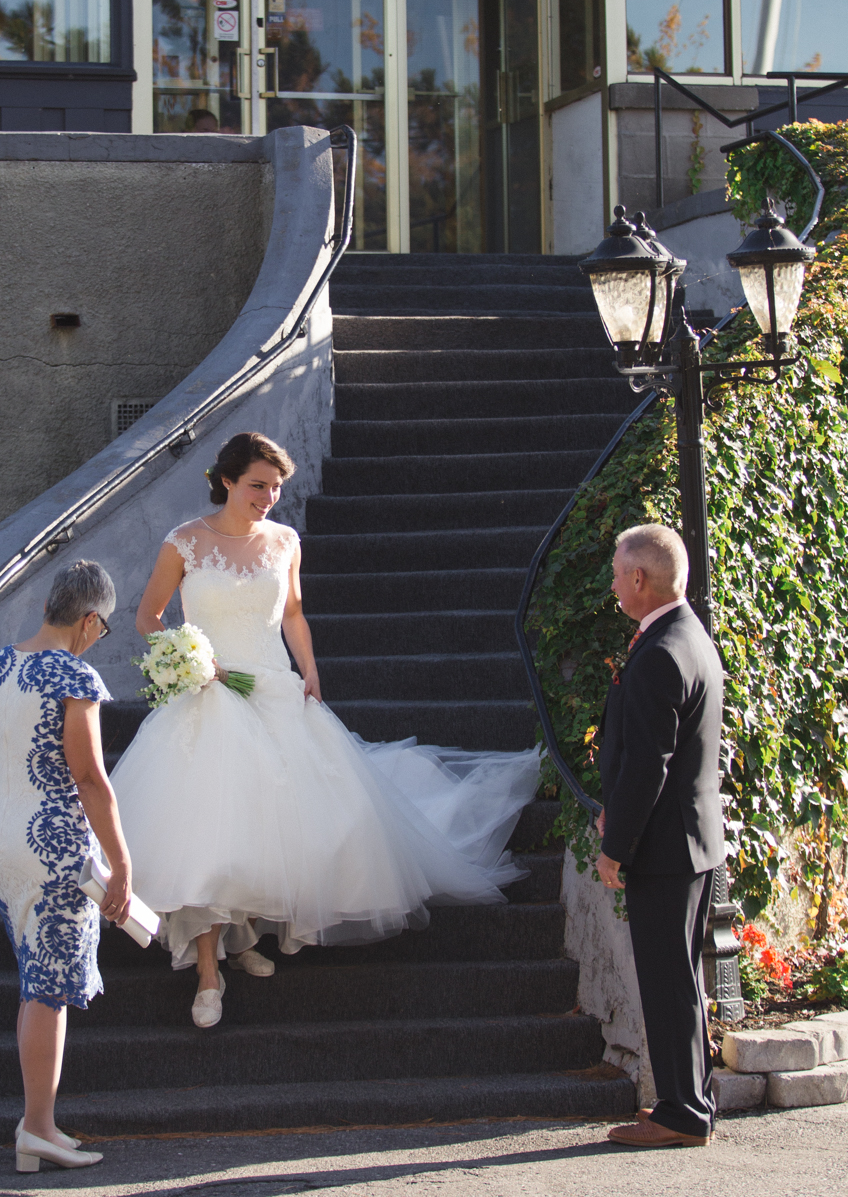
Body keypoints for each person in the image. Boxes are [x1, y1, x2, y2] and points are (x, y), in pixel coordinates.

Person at [109, 431, 541, 1029]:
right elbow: (148, 615)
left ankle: (246, 935)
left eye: (277, 489)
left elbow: (291, 613)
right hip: (207, 693)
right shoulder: (184, 541)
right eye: (258, 485)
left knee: (278, 818)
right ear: (228, 479)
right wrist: (189, 659)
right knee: (206, 825)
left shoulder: (285, 541)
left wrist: (310, 670)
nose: (268, 498)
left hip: (273, 686)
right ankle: (209, 969)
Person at [0, 559, 132, 1174]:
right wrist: (122, 863)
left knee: (36, 981)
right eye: (104, 628)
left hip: (2, 840)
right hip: (55, 843)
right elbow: (89, 777)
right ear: (90, 620)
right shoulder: (73, 674)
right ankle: (36, 1127)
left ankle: (41, 1124)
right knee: (48, 990)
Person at [596, 523, 725, 1150]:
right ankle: (690, 1102)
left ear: (640, 579)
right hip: (691, 840)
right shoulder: (687, 636)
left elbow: (650, 765)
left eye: (619, 572)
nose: (614, 582)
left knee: (669, 979)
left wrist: (614, 845)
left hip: (665, 847)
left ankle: (681, 1114)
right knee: (682, 978)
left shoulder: (660, 653)